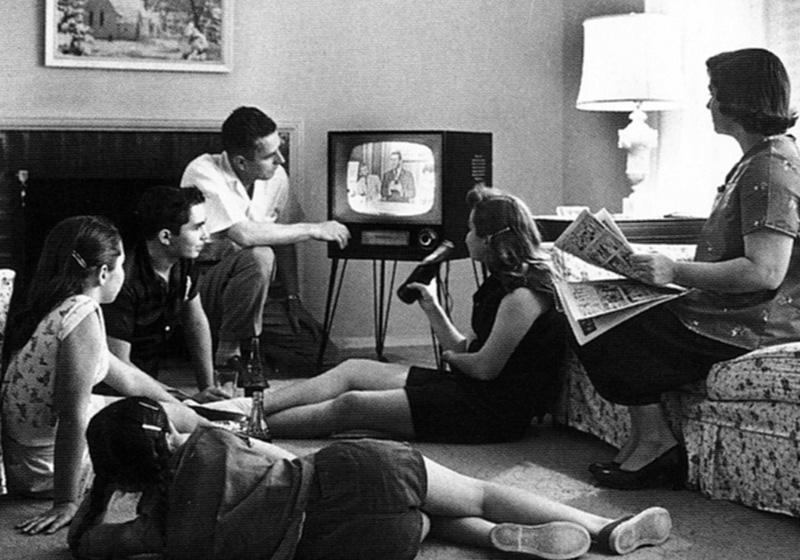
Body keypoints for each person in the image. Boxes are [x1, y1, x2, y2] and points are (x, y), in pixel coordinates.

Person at [576, 48, 800, 490]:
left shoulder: (771, 168)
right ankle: (646, 439)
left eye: (714, 93)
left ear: (737, 100)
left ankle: (656, 444)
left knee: (607, 327)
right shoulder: (761, 159)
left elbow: (764, 272)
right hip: (727, 310)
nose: (708, 103)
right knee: (594, 314)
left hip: (752, 323)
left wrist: (673, 271)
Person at [68, 396, 672, 559]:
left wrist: (100, 491)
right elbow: (276, 455)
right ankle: (603, 527)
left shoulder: (163, 534)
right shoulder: (211, 441)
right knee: (479, 490)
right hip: (359, 474)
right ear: (168, 434)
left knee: (427, 522)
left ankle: (493, 540)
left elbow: (87, 546)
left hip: (353, 545)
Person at [219, 185, 566, 443]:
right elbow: (467, 351)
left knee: (352, 405)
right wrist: (432, 307)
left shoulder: (522, 296)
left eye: (473, 229)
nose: (467, 236)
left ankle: (242, 428)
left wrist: (449, 358)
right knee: (353, 369)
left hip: (490, 413)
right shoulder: (501, 284)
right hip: (470, 388)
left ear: (490, 240)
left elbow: (483, 368)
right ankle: (246, 409)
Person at [1, 216, 203, 535]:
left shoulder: (59, 306)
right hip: (46, 468)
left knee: (182, 413)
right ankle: (235, 431)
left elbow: (127, 378)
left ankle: (228, 421)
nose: (124, 274)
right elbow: (72, 417)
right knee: (176, 433)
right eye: (121, 266)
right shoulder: (81, 313)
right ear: (103, 273)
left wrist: (185, 402)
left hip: (29, 458)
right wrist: (66, 502)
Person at [180, 106, 350, 364]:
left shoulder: (276, 175)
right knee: (260, 254)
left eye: (279, 149)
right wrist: (314, 229)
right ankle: (229, 351)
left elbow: (284, 236)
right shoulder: (202, 171)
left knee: (324, 356)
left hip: (254, 293)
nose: (281, 159)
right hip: (203, 287)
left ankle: (244, 341)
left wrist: (292, 297)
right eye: (270, 155)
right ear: (241, 162)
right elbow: (244, 235)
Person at [101, 186, 228, 403]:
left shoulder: (184, 262)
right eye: (197, 227)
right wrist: (182, 400)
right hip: (115, 392)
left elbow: (196, 323)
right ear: (166, 236)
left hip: (152, 385)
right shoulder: (124, 280)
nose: (206, 236)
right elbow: (120, 366)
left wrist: (208, 388)